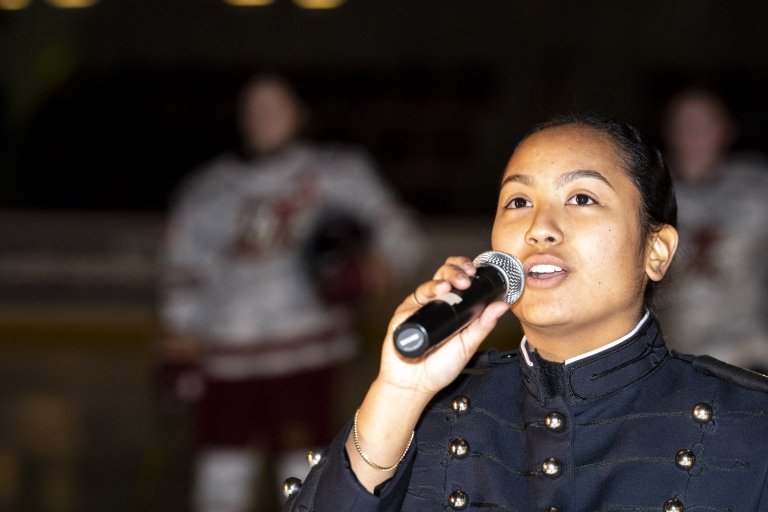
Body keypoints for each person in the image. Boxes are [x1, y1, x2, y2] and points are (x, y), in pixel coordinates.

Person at [282, 113, 768, 511]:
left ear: (656, 251)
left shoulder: (750, 424)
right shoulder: (423, 414)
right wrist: (399, 392)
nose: (540, 228)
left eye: (582, 197)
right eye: (518, 201)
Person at [156, 74, 425, 512]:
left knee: (302, 478)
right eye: (253, 107)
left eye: (275, 106)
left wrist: (373, 268)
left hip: (306, 352)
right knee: (219, 480)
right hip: (226, 356)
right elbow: (183, 269)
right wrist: (178, 342)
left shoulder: (336, 171)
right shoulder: (206, 190)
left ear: (300, 113)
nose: (262, 118)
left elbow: (401, 234)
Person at [657, 87, 768, 373]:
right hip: (676, 354)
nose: (692, 133)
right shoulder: (648, 192)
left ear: (727, 130)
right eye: (683, 124)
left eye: (704, 123)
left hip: (750, 347)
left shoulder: (757, 185)